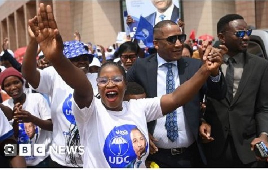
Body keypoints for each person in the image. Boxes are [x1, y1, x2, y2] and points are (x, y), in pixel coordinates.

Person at [27, 3, 225, 168]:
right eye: (103, 80)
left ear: (126, 83)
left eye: (117, 79)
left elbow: (176, 98)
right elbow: (83, 89)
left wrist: (205, 71)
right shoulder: (90, 112)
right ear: (97, 85)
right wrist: (58, 59)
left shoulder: (139, 107)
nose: (110, 83)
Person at [126, 20, 227, 168]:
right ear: (156, 44)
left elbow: (218, 94)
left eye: (181, 38)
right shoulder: (140, 67)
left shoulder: (194, 66)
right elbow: (123, 104)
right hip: (153, 157)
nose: (179, 44)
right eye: (172, 40)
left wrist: (214, 73)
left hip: (190, 156)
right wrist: (138, 130)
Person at [22, 20, 98, 168]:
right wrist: (33, 42)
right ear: (65, 61)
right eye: (75, 59)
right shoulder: (54, 76)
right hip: (61, 159)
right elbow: (29, 74)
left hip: (93, 159)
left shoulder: (98, 80)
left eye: (85, 58)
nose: (82, 62)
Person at [202, 14, 268, 168]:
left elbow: (264, 108)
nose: (246, 37)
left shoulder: (261, 66)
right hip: (215, 147)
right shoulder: (207, 64)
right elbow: (198, 101)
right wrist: (202, 121)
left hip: (248, 148)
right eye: (240, 33)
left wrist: (263, 136)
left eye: (248, 32)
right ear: (222, 37)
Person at [0, 67, 52, 167]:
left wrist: (32, 119)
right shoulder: (6, 107)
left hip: (43, 159)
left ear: (23, 82)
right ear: (3, 89)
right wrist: (15, 119)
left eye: (16, 82)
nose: (13, 87)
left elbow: (51, 126)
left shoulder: (37, 99)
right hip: (21, 162)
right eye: (7, 85)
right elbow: (11, 137)